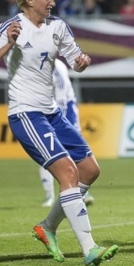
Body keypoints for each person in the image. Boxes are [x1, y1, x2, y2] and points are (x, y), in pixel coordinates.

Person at [0, 0, 118, 266]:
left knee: (90, 170)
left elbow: (75, 61)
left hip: (52, 112)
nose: (53, 2)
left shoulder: (58, 28)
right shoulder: (10, 28)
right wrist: (7, 46)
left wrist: (82, 62)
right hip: (26, 113)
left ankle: (48, 226)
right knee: (68, 172)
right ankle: (89, 248)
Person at [40, 59, 95, 208]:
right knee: (45, 149)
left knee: (72, 151)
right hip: (45, 108)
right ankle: (49, 195)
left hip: (65, 110)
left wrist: (59, 124)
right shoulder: (32, 62)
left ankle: (81, 190)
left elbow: (62, 96)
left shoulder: (56, 66)